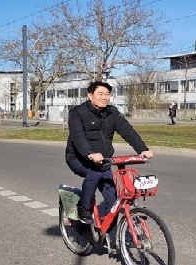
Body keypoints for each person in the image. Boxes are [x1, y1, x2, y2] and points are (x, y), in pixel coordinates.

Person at [65, 81, 153, 224]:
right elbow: (77, 136)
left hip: (103, 160)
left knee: (113, 201)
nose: (104, 97)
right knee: (94, 174)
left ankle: (109, 239)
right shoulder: (77, 113)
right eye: (100, 94)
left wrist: (142, 149)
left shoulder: (112, 112)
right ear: (90, 95)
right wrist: (89, 153)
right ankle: (84, 208)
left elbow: (128, 131)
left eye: (107, 94)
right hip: (78, 158)